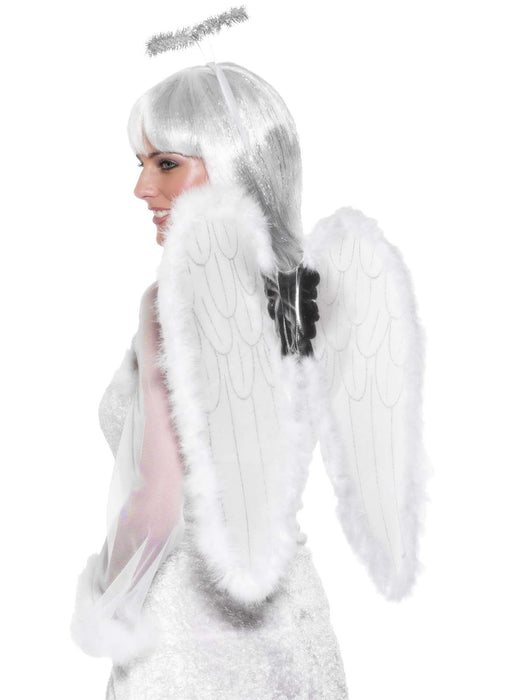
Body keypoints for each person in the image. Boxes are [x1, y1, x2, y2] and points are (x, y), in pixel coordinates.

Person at [71, 59, 425, 700]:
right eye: (141, 163)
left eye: (167, 163)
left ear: (232, 162)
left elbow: (157, 500)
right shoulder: (307, 294)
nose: (142, 187)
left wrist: (102, 604)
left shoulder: (172, 304)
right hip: (295, 631)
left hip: (186, 644)